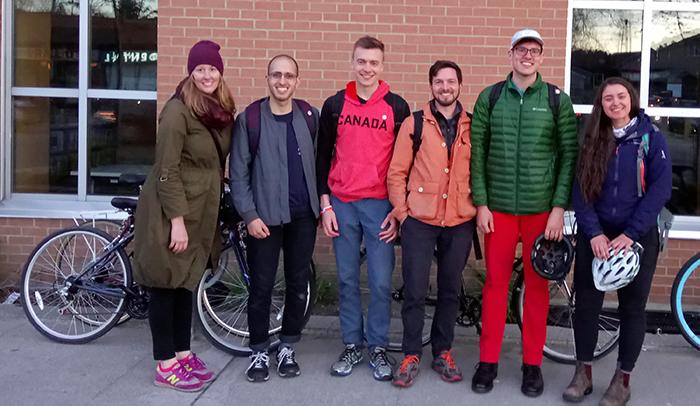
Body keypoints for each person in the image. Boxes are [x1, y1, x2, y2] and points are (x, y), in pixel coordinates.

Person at [470, 29, 578, 397]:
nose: (527, 55)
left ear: (542, 58)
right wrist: (481, 203)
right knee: (495, 288)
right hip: (497, 211)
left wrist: (558, 209)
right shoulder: (491, 97)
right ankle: (488, 362)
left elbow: (568, 158)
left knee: (536, 290)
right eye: (521, 49)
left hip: (540, 214)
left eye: (534, 50)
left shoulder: (555, 100)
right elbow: (477, 154)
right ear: (510, 54)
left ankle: (532, 365)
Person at [132, 40, 235, 392]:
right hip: (173, 210)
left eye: (212, 69)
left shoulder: (219, 108)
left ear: (220, 72)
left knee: (185, 282)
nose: (207, 75)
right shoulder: (178, 111)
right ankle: (165, 364)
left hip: (201, 209)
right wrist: (176, 220)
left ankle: (182, 352)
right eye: (200, 69)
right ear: (191, 72)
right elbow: (166, 170)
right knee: (165, 283)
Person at [564, 77, 671, 406]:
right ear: (601, 104)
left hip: (637, 237)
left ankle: (622, 380)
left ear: (631, 99)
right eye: (608, 98)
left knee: (632, 309)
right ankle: (583, 374)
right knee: (586, 307)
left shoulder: (651, 139)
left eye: (621, 96)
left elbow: (660, 191)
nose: (615, 103)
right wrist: (594, 232)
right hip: (595, 234)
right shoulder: (592, 138)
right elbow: (579, 191)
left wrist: (630, 234)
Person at [316, 35, 410, 381]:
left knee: (382, 282)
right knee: (346, 279)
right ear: (352, 63)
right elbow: (322, 156)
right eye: (361, 61)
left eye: (373, 62)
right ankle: (353, 344)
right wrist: (324, 204)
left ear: (382, 66)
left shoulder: (397, 107)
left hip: (379, 207)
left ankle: (378, 347)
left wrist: (397, 209)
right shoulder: (334, 105)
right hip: (341, 204)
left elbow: (405, 163)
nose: (367, 68)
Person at [386, 60, 477, 387]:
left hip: (459, 219)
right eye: (439, 82)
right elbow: (396, 172)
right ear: (431, 86)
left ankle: (443, 351)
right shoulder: (415, 124)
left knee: (450, 290)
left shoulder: (474, 125)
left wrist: (479, 209)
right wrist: (402, 211)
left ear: (460, 86)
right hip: (420, 220)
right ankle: (411, 353)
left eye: (451, 82)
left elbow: (480, 172)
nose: (445, 87)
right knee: (414, 289)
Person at [230, 55, 320, 383]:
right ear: (267, 78)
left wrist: (321, 207)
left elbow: (320, 164)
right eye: (276, 75)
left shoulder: (310, 117)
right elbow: (238, 173)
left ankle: (287, 347)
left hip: (303, 219)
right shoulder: (250, 119)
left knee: (298, 286)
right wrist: (250, 215)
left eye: (289, 76)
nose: (282, 81)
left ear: (297, 80)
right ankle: (258, 351)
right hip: (264, 220)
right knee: (262, 288)